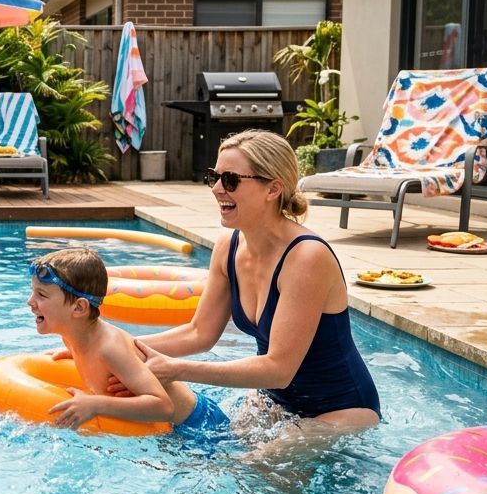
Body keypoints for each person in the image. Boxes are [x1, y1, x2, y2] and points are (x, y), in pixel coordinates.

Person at [116, 130, 381, 439]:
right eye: (213, 176)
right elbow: (199, 333)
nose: (216, 189)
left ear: (273, 189)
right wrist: (118, 347)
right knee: (210, 453)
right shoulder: (228, 247)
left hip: (339, 409)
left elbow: (279, 369)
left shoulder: (307, 258)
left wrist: (177, 369)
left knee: (249, 469)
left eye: (230, 180)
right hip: (274, 402)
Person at [32, 247, 228, 434]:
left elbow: (163, 406)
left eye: (41, 295)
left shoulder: (109, 349)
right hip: (173, 429)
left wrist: (96, 405)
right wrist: (75, 352)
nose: (30, 302)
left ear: (79, 308)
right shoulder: (73, 339)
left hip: (200, 426)